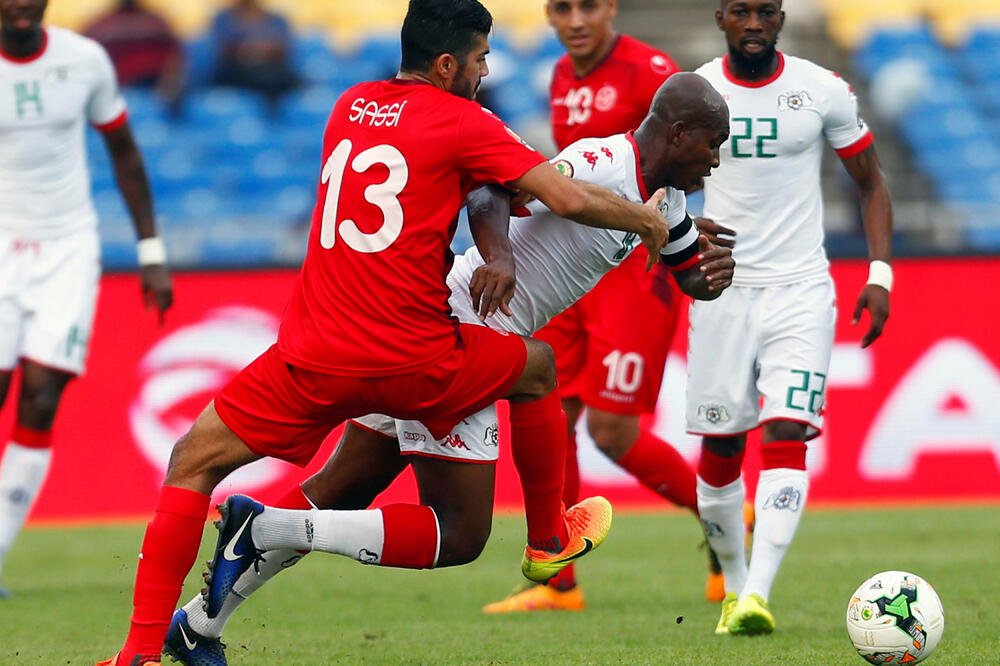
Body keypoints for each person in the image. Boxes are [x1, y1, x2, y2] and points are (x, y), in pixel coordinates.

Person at [97, 1, 673, 663]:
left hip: (312, 349)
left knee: (193, 462)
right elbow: (565, 198)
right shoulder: (464, 119)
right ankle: (548, 541)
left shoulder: (348, 104)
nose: (487, 73)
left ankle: (144, 649)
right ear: (449, 63)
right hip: (414, 355)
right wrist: (648, 223)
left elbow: (460, 185)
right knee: (534, 374)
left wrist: (499, 252)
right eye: (481, 60)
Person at [485, 0, 726, 614]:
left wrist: (687, 232)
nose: (575, 20)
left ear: (611, 8)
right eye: (561, 8)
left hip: (629, 268)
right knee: (550, 410)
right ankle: (558, 579)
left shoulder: (649, 69)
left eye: (587, 5)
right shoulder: (562, 75)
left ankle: (721, 518)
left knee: (612, 430)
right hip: (575, 266)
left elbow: (689, 152)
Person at [691, 0, 892, 636]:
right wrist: (673, 241)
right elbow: (659, 179)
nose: (755, 24)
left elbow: (872, 182)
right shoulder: (696, 92)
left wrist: (880, 273)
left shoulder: (821, 90)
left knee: (785, 432)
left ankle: (757, 594)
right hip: (722, 290)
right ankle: (732, 580)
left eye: (767, 12)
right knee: (722, 446)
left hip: (802, 290)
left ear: (780, 19)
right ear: (721, 16)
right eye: (742, 12)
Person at [0, 0, 173, 600]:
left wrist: (150, 250)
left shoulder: (84, 60)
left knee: (41, 398)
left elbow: (124, 152)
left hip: (67, 251)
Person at [83, 0, 185, 110]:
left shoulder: (157, 22)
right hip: (115, 89)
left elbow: (175, 57)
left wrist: (169, 85)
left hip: (154, 87)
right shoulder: (100, 25)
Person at [208, 0, 298, 106]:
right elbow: (225, 50)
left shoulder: (277, 20)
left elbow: (283, 49)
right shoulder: (224, 19)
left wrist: (252, 50)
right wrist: (256, 50)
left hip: (272, 71)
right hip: (236, 72)